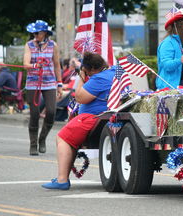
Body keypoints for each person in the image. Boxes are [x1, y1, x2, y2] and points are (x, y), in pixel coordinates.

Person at [41, 52, 115, 190]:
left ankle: (62, 180)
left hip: (92, 117)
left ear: (92, 69)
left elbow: (79, 97)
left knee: (62, 138)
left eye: (86, 70)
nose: (85, 72)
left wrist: (81, 77)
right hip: (103, 115)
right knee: (70, 139)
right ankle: (62, 177)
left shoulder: (99, 78)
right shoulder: (113, 72)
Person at [23, 20, 63, 156]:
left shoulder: (53, 46)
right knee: (34, 114)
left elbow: (57, 65)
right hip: (33, 83)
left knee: (51, 112)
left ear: (45, 33)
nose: (35, 35)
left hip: (50, 82)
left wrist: (59, 84)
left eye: (37, 33)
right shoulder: (29, 45)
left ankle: (42, 139)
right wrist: (35, 66)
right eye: (34, 33)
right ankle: (33, 145)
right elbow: (25, 64)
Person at [156, 11, 183, 89]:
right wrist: (180, 60)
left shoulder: (181, 42)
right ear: (179, 26)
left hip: (180, 83)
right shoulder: (167, 43)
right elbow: (167, 65)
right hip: (169, 86)